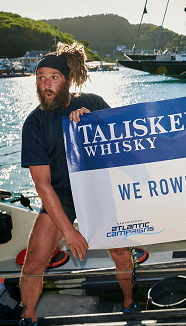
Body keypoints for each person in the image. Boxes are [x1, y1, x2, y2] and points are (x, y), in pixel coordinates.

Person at [20, 42, 139, 325]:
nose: (46, 84)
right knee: (34, 262)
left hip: (97, 189)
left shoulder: (93, 103)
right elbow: (42, 183)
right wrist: (69, 233)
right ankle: (28, 317)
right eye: (41, 77)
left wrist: (93, 122)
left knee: (121, 252)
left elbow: (124, 137)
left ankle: (129, 303)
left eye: (54, 77)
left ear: (67, 81)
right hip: (60, 193)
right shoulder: (34, 123)